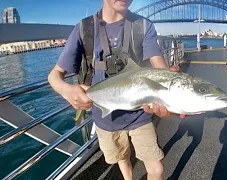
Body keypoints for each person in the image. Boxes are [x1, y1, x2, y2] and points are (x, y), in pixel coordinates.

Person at [48, 0, 186, 180]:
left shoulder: (143, 26)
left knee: (157, 168)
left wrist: (169, 88)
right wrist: (67, 90)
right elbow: (54, 75)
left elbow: (158, 66)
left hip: (140, 114)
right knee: (122, 158)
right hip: (106, 117)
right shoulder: (84, 29)